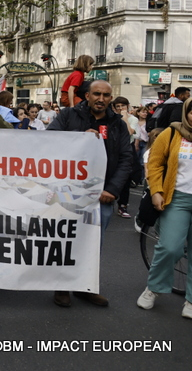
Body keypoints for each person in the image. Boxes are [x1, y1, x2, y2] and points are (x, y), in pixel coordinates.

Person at [48, 80, 132, 307]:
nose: (101, 99)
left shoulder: (117, 123)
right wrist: (79, 137)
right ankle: (62, 286)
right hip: (69, 191)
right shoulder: (68, 116)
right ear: (87, 96)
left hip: (101, 195)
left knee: (93, 243)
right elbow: (48, 142)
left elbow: (126, 158)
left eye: (106, 95)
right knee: (66, 239)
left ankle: (84, 287)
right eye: (97, 94)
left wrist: (112, 190)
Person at [137, 97, 192, 319]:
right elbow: (155, 163)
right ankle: (154, 288)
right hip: (176, 199)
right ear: (186, 113)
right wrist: (157, 190)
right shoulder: (171, 134)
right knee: (170, 247)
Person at [111, 96, 135, 218]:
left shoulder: (133, 119)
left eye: (123, 106)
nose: (121, 108)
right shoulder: (111, 119)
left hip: (127, 150)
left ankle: (123, 205)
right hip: (113, 150)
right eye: (118, 106)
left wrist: (124, 117)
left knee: (125, 179)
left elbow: (129, 132)